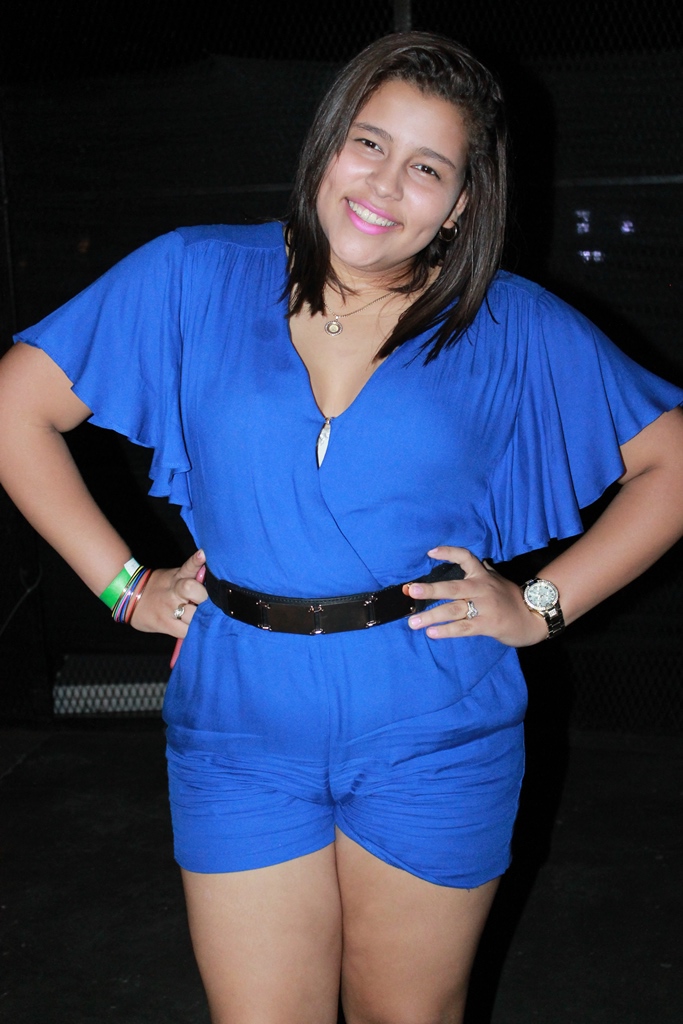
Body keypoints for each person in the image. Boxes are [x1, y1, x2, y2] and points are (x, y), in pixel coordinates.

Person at [0, 30, 682, 1024]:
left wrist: (540, 604)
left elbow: (671, 464)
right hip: (237, 722)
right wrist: (123, 585)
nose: (384, 184)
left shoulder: (510, 325)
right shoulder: (190, 274)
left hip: (434, 724)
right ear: (327, 143)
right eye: (368, 143)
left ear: (460, 203)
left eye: (427, 167)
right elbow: (15, 407)